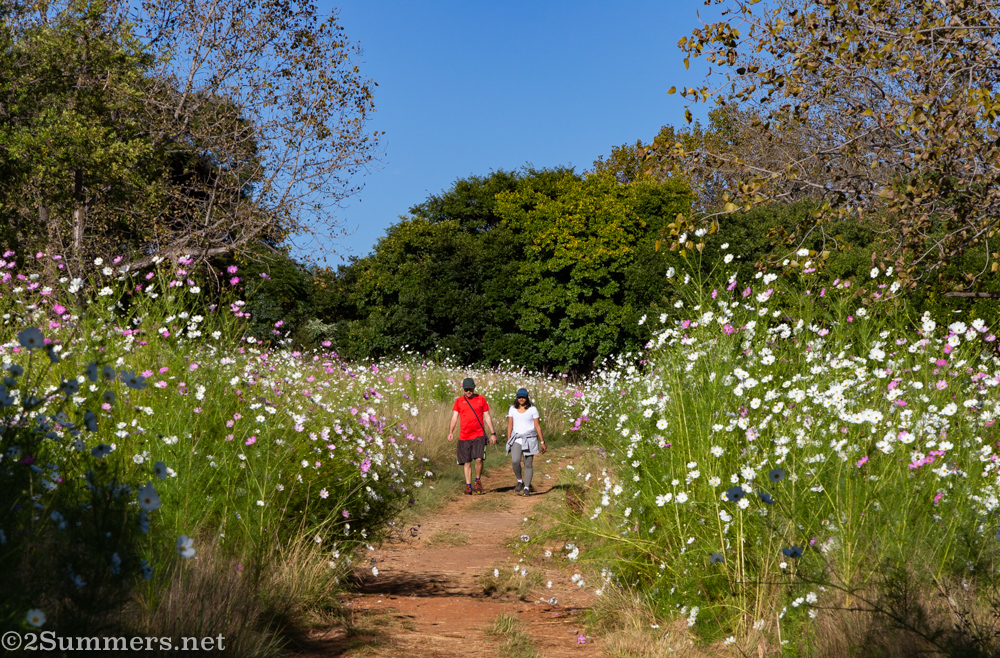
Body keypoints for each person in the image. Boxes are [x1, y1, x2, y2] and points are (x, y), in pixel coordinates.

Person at [447, 377, 497, 495]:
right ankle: (468, 486)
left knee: (479, 458)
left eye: (470, 389)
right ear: (463, 389)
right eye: (466, 389)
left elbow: (487, 416)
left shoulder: (481, 399)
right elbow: (454, 417)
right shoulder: (459, 401)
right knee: (467, 462)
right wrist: (451, 432)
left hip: (479, 434)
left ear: (474, 388)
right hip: (464, 436)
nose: (468, 391)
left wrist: (492, 433)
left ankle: (477, 481)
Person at [505, 387, 545, 496]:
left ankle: (527, 487)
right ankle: (519, 480)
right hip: (516, 439)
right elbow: (510, 424)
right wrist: (509, 439)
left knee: (528, 464)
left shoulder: (533, 409)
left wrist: (542, 441)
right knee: (515, 461)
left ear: (527, 398)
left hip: (530, 439)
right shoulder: (512, 409)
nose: (521, 399)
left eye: (523, 397)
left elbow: (537, 426)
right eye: (519, 397)